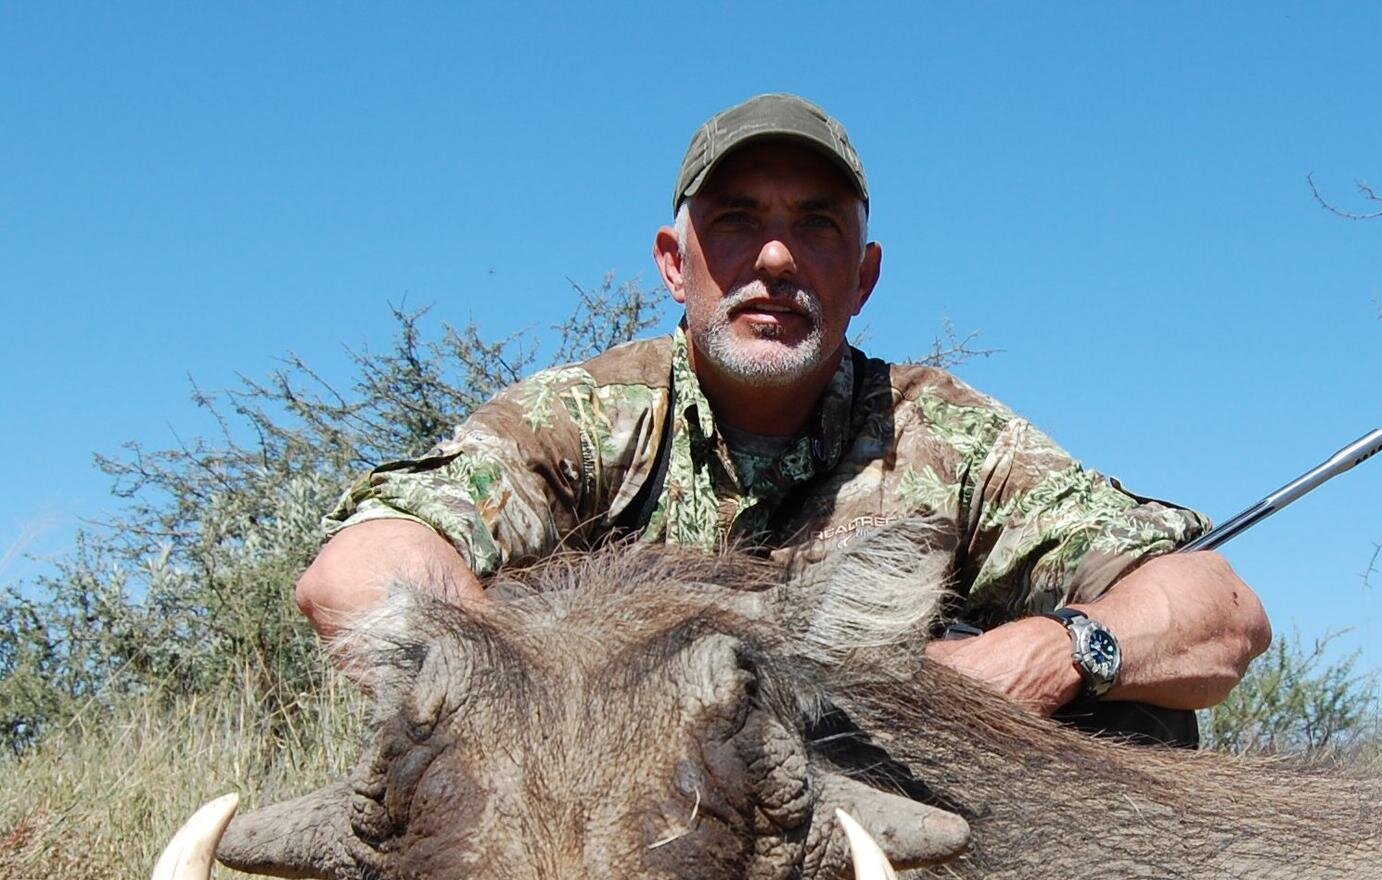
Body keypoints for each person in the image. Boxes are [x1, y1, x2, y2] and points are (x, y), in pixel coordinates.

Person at [296, 93, 1270, 719]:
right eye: (736, 220)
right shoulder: (590, 417)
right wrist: (535, 718)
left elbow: (1220, 614)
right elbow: (358, 571)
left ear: (864, 276)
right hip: (613, 818)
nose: (774, 257)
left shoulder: (945, 433)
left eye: (816, 225)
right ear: (674, 267)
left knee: (1140, 711)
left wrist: (1054, 651)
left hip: (875, 836)